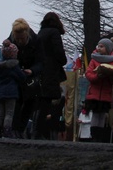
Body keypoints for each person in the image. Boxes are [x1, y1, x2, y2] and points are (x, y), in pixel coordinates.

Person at [7, 18, 44, 138]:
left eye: (22, 38)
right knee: (15, 103)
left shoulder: (36, 40)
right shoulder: (10, 41)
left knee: (29, 103)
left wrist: (32, 70)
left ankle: (20, 128)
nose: (20, 41)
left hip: (30, 77)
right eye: (17, 39)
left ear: (27, 34)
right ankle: (14, 130)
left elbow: (41, 61)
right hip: (16, 75)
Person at [33, 12, 68, 140]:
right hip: (51, 70)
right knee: (47, 102)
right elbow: (59, 51)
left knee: (41, 101)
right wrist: (62, 61)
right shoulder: (54, 33)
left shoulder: (40, 33)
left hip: (41, 70)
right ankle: (40, 131)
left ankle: (37, 130)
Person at [84, 38, 113, 143]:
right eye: (98, 46)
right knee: (96, 114)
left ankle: (99, 136)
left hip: (106, 94)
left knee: (102, 115)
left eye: (102, 46)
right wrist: (98, 76)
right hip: (94, 93)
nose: (99, 48)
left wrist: (111, 77)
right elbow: (89, 74)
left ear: (108, 48)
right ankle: (94, 135)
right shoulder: (94, 60)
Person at [0, 40, 25, 138]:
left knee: (0, 112)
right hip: (11, 91)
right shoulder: (14, 66)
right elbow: (21, 77)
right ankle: (7, 130)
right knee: (9, 113)